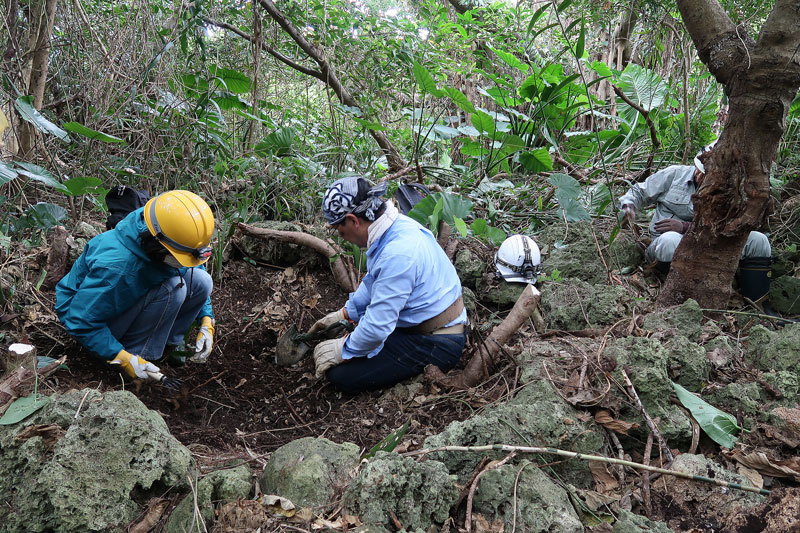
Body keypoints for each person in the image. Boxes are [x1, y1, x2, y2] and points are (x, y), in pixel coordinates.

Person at [310, 177, 467, 394]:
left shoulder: (398, 253)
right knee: (355, 347)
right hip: (426, 325)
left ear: (353, 221)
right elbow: (375, 282)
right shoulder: (395, 227)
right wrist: (346, 313)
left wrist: (342, 350)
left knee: (340, 377)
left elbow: (376, 328)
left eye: (341, 231)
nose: (343, 238)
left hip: (437, 341)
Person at [56, 190, 216, 382]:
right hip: (92, 322)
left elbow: (193, 265)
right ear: (159, 246)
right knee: (172, 288)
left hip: (122, 299)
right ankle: (136, 356)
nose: (186, 263)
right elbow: (80, 321)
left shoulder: (166, 230)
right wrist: (123, 358)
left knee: (201, 281)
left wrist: (207, 321)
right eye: (182, 258)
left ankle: (168, 342)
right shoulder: (117, 269)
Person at [619, 143, 773, 308]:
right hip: (668, 245)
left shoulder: (732, 189)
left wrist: (685, 227)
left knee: (759, 241)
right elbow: (639, 191)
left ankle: (758, 307)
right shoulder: (675, 174)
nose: (700, 177)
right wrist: (628, 207)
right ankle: (680, 300)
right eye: (699, 171)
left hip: (715, 247)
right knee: (670, 241)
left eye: (708, 175)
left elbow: (734, 226)